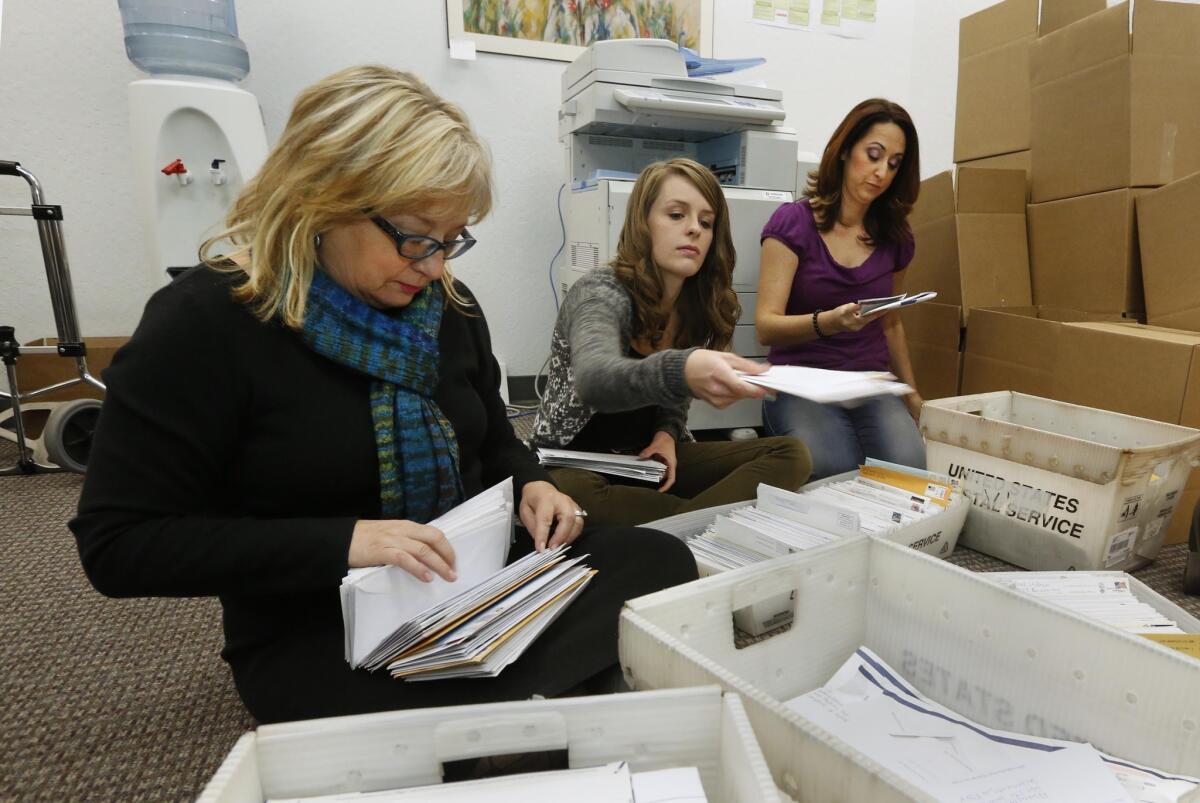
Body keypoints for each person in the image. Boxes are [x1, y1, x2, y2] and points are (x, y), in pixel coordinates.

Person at [69, 66, 698, 725]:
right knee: (487, 690)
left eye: (451, 239)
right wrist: (345, 542)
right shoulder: (204, 323)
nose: (434, 266)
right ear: (324, 197)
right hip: (319, 628)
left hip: (472, 587)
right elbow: (118, 544)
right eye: (416, 236)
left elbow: (492, 439)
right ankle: (516, 712)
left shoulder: (447, 306)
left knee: (661, 560)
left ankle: (500, 718)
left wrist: (533, 483)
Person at [530, 158, 812, 527]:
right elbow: (595, 379)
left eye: (706, 222)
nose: (694, 228)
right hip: (574, 464)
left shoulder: (692, 304)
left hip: (645, 459)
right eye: (677, 215)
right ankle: (694, 524)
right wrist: (684, 368)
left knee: (791, 454)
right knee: (578, 499)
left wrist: (666, 434)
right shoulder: (599, 291)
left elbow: (673, 402)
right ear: (643, 223)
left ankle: (681, 525)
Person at [755, 99, 926, 480]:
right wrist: (828, 322)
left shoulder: (895, 236)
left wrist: (912, 393)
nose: (881, 172)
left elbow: (891, 323)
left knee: (908, 470)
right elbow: (766, 325)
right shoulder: (793, 223)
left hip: (869, 380)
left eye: (894, 164)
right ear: (846, 149)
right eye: (874, 155)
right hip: (801, 379)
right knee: (833, 468)